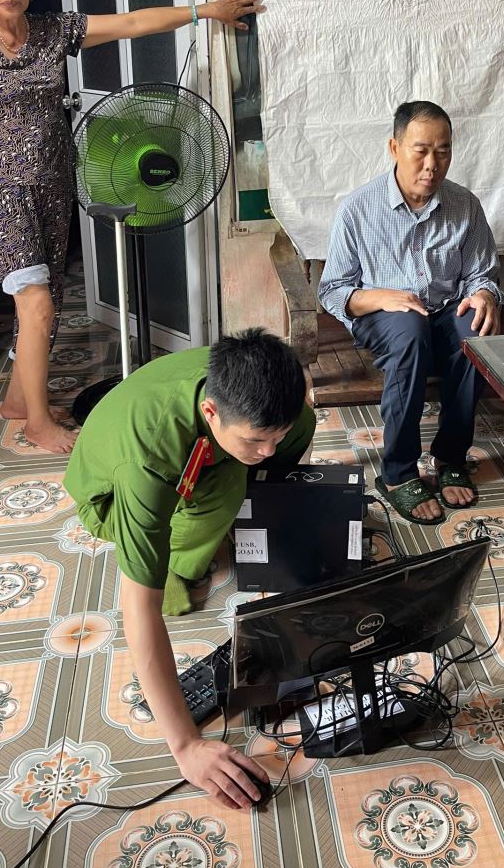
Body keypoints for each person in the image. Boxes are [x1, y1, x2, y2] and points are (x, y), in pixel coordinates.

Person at [0, 0, 265, 453]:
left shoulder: (52, 31)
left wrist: (207, 10)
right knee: (36, 303)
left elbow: (132, 23)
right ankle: (37, 423)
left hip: (51, 185)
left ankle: (18, 400)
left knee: (46, 297)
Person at [63, 328, 315, 809]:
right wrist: (185, 746)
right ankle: (180, 561)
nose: (267, 449)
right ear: (211, 412)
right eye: (256, 439)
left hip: (194, 450)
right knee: (224, 491)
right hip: (106, 497)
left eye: (274, 438)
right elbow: (138, 611)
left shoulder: (257, 394)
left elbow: (278, 437)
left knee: (288, 436)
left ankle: (219, 509)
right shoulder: (148, 463)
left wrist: (274, 467)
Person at [318, 101, 502, 524]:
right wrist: (380, 297)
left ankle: (451, 457)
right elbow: (333, 290)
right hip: (385, 318)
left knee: (474, 329)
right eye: (420, 150)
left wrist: (484, 294)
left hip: (443, 311)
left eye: (443, 151)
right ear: (394, 147)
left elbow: (481, 274)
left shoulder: (465, 205)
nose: (432, 164)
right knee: (409, 328)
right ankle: (398, 472)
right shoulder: (358, 209)